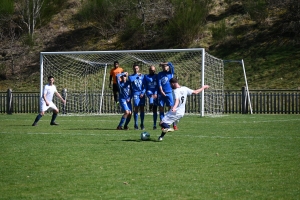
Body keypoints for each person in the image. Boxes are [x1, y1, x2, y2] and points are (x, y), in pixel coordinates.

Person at [157, 61, 178, 130]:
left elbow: (171, 65)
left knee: (171, 109)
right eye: (163, 66)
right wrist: (162, 91)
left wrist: (162, 63)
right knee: (161, 108)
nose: (164, 67)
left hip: (169, 93)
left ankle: (174, 124)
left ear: (168, 67)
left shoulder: (170, 72)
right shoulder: (160, 74)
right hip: (161, 93)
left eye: (165, 66)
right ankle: (163, 125)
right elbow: (159, 83)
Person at [128, 63, 146, 130]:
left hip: (141, 93)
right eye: (135, 68)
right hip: (135, 93)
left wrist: (143, 92)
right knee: (136, 107)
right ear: (133, 69)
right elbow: (131, 80)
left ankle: (142, 124)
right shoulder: (131, 76)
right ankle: (136, 124)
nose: (136, 69)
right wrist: (137, 75)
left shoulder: (143, 76)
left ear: (139, 69)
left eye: (137, 68)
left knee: (142, 108)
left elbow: (145, 86)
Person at [143, 65, 159, 130]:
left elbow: (158, 85)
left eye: (153, 70)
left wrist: (155, 93)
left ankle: (154, 125)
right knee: (151, 97)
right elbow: (145, 86)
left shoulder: (157, 76)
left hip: (156, 93)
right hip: (149, 92)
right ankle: (151, 104)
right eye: (150, 70)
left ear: (155, 70)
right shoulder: (146, 76)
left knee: (155, 110)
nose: (152, 71)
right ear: (149, 70)